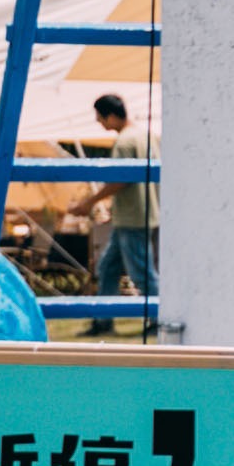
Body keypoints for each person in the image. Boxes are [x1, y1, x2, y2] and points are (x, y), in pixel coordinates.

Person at [87, 91, 159, 311]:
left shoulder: (124, 141)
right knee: (108, 267)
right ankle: (103, 317)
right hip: (143, 213)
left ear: (110, 116)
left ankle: (159, 316)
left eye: (99, 117)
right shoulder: (145, 135)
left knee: (141, 273)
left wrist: (89, 202)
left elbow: (121, 180)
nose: (98, 122)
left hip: (132, 216)